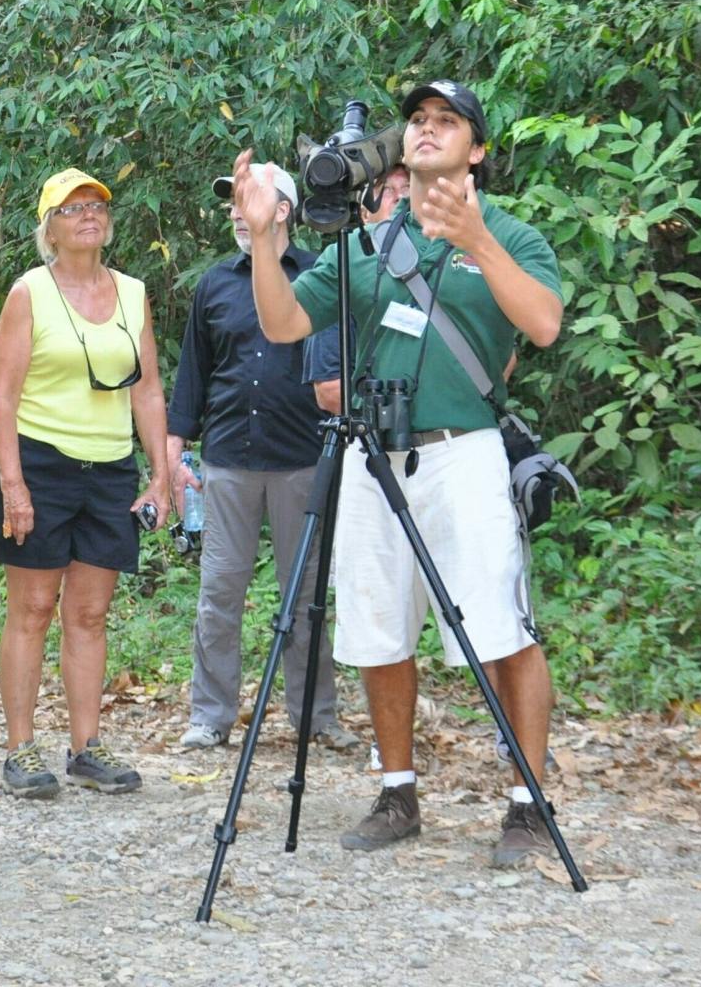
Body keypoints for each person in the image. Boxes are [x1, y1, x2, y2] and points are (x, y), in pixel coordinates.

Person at [235, 79, 565, 869]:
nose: (425, 131)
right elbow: (283, 323)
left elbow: (545, 326)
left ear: (476, 150)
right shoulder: (363, 244)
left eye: (446, 122)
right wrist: (259, 242)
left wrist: (477, 241)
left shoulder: (514, 237)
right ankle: (396, 790)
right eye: (416, 120)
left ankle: (525, 802)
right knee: (379, 625)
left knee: (499, 624)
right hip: (369, 454)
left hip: (464, 452)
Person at [0, 169, 169, 799]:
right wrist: (14, 484)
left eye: (97, 206)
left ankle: (88, 748)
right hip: (39, 463)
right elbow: (0, 395)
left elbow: (146, 390)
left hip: (110, 470)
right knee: (32, 610)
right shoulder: (29, 292)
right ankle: (20, 749)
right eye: (72, 207)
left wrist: (160, 476)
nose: (89, 215)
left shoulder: (135, 293)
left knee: (89, 613)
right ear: (49, 228)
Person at [168, 162, 355, 753]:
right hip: (227, 459)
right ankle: (210, 717)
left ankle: (315, 717)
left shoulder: (320, 276)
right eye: (232, 202)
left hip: (304, 458)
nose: (236, 211)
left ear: (283, 211)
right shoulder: (216, 284)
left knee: (304, 597)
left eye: (249, 198)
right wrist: (174, 453)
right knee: (219, 592)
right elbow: (192, 374)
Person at [302, 162, 410, 416]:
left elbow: (500, 359)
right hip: (375, 438)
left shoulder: (450, 261)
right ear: (364, 215)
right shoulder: (346, 267)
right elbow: (330, 391)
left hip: (455, 443)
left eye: (408, 188)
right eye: (385, 190)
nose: (400, 198)